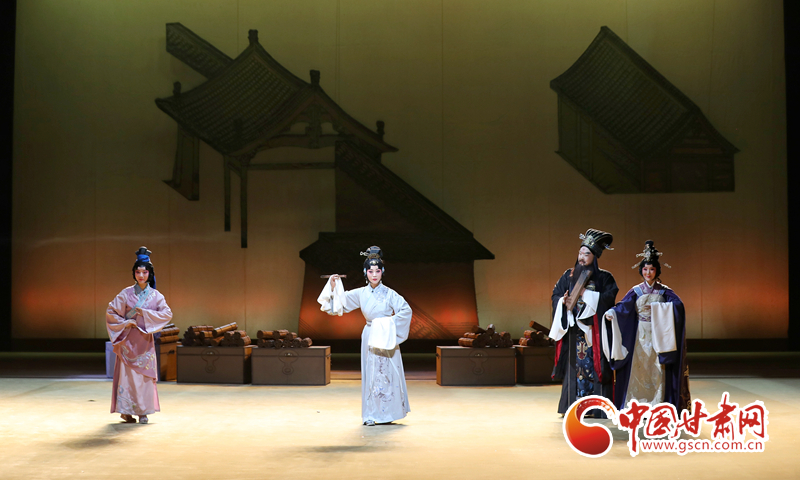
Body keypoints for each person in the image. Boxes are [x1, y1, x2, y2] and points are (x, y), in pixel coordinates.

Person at [320, 246, 412, 426]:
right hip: (370, 334)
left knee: (388, 373)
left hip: (385, 335)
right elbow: (339, 303)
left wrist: (387, 323)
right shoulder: (361, 293)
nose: (374, 275)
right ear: (365, 272)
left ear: (382, 271)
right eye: (371, 271)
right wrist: (333, 286)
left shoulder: (390, 294)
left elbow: (406, 311)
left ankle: (389, 413)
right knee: (371, 373)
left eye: (378, 271)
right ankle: (371, 414)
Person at [602, 240, 690, 412]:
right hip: (639, 335)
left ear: (657, 271)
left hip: (659, 335)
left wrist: (659, 308)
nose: (648, 273)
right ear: (641, 270)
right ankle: (636, 404)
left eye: (651, 269)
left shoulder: (664, 291)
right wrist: (612, 312)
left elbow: (678, 307)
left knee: (657, 369)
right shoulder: (636, 291)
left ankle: (657, 405)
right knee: (639, 369)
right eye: (645, 269)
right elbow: (623, 307)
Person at [549, 229, 618, 415]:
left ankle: (597, 408)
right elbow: (555, 295)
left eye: (586, 254)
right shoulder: (568, 275)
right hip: (574, 332)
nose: (581, 257)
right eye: (580, 253)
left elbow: (609, 299)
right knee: (574, 370)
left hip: (594, 332)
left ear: (594, 257)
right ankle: (573, 406)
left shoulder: (605, 277)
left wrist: (586, 294)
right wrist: (563, 302)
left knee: (596, 366)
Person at [106, 247, 173, 424]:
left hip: (144, 342)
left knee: (143, 377)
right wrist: (125, 323)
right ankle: (125, 411)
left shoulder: (156, 295)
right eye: (138, 272)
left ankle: (143, 411)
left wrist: (146, 314)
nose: (141, 275)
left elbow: (167, 314)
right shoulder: (126, 293)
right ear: (134, 273)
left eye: (144, 272)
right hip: (128, 342)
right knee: (127, 377)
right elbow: (111, 312)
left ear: (150, 273)